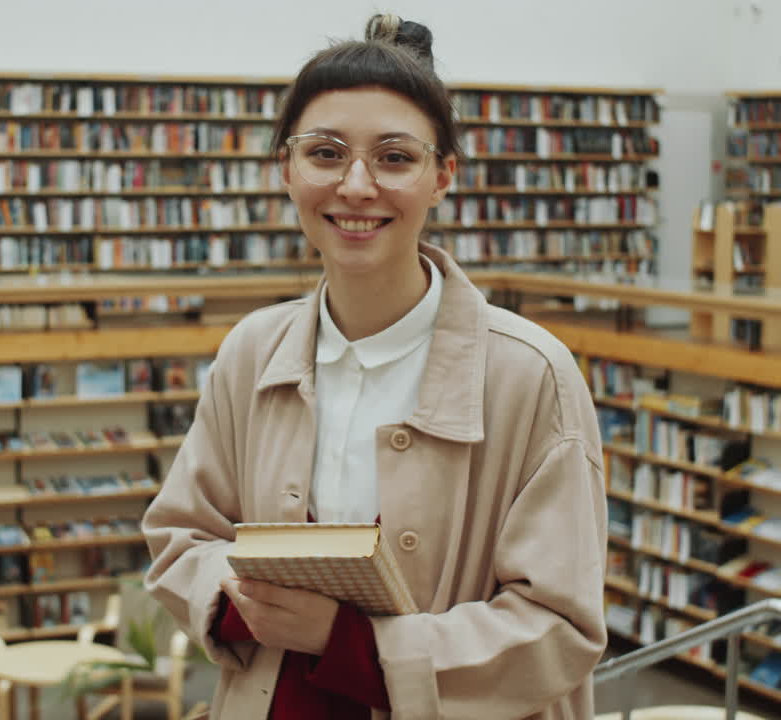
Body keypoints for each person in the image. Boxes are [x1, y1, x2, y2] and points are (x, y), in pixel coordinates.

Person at [143, 13, 608, 720]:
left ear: (442, 176)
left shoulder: (530, 376)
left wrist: (350, 642)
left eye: (394, 158)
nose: (356, 186)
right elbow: (181, 538)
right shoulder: (251, 351)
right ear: (286, 169)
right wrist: (241, 602)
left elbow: (560, 627)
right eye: (325, 154)